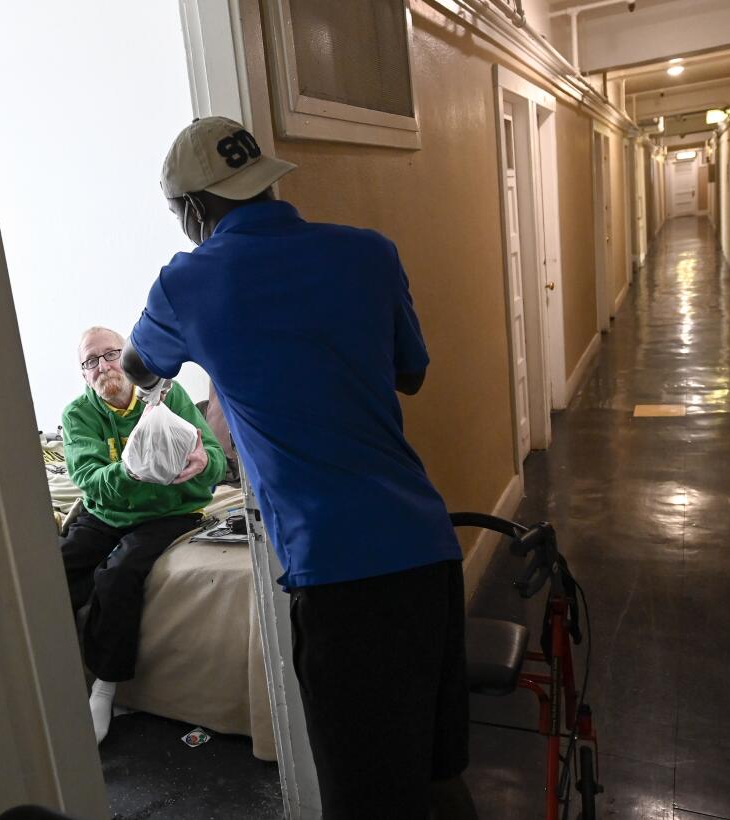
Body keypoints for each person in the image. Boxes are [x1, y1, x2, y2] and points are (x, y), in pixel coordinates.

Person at [121, 117, 476, 819]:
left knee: (362, 797)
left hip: (340, 576)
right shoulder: (370, 253)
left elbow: (135, 369)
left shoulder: (186, 282)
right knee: (435, 773)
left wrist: (226, 363)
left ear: (193, 209)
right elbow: (411, 375)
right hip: (427, 550)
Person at [60, 326, 225, 743]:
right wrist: (131, 471)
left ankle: (105, 686)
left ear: (130, 357)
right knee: (54, 567)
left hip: (168, 512)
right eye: (90, 361)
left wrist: (204, 461)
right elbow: (90, 479)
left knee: (118, 575)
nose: (103, 367)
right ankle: (53, 675)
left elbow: (218, 462)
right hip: (106, 513)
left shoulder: (170, 397)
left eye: (111, 354)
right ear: (83, 374)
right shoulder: (78, 415)